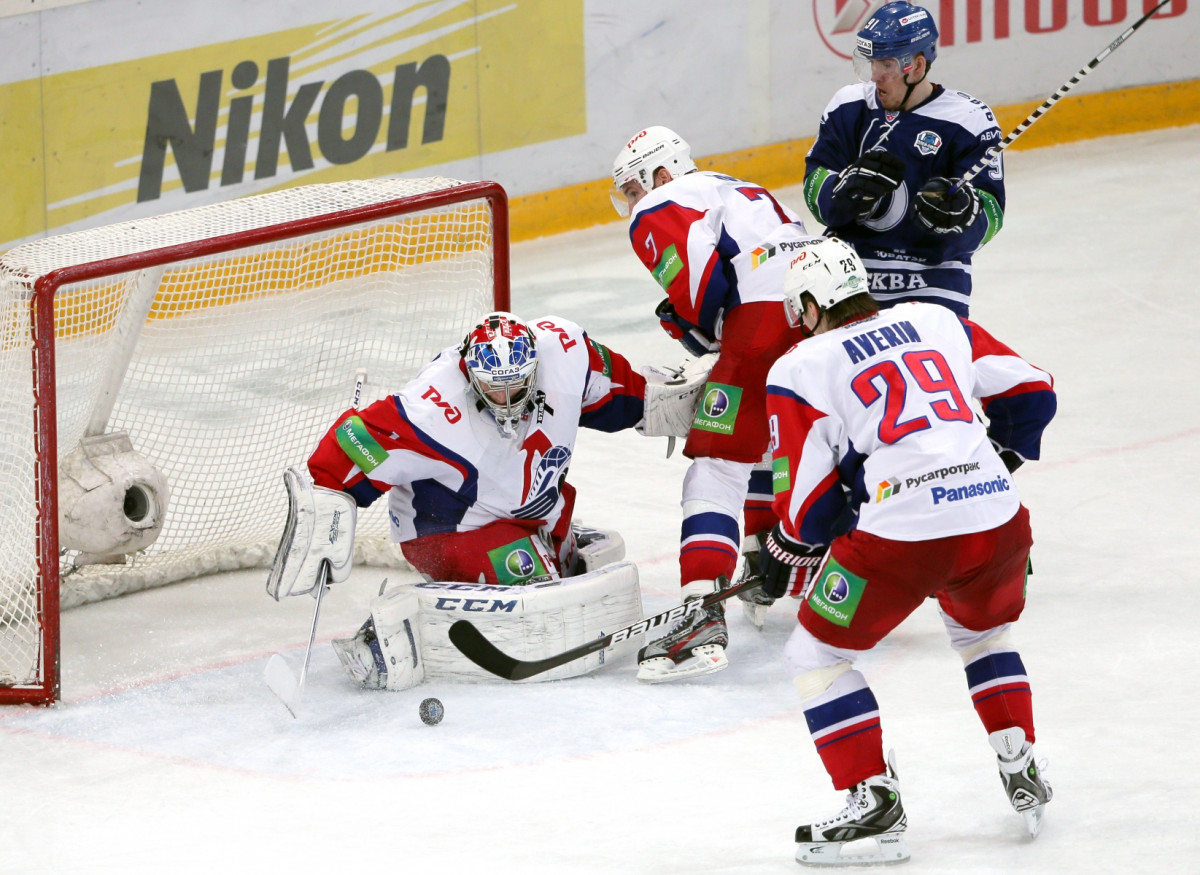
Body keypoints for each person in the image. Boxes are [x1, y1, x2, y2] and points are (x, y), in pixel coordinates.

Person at [758, 237, 1056, 865]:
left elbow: (807, 514)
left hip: (902, 538)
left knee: (815, 652)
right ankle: (1021, 766)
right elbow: (1034, 390)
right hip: (998, 520)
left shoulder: (800, 366)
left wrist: (785, 545)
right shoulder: (934, 319)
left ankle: (872, 804)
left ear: (811, 305)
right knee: (983, 636)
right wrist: (997, 459)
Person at [265, 311, 710, 688]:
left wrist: (656, 403)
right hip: (450, 528)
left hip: (530, 507)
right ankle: (388, 634)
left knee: (564, 573)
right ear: (470, 375)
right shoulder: (431, 407)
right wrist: (327, 512)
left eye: (517, 385)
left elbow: (616, 392)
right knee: (538, 599)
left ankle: (544, 545)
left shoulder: (564, 349)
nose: (507, 400)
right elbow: (350, 443)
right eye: (494, 388)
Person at [611, 125, 815, 682]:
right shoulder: (737, 187)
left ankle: (699, 610)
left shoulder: (662, 200)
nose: (633, 202)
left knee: (716, 462)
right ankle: (772, 558)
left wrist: (695, 325)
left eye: (632, 188)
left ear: (660, 173)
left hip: (764, 323)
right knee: (771, 438)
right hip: (816, 313)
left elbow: (701, 288)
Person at [803, 1, 1005, 317]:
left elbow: (992, 213)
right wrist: (841, 192)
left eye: (886, 65)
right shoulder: (849, 106)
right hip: (847, 282)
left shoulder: (969, 120)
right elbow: (814, 184)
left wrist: (962, 218)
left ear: (918, 66)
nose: (875, 76)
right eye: (871, 63)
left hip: (932, 285)